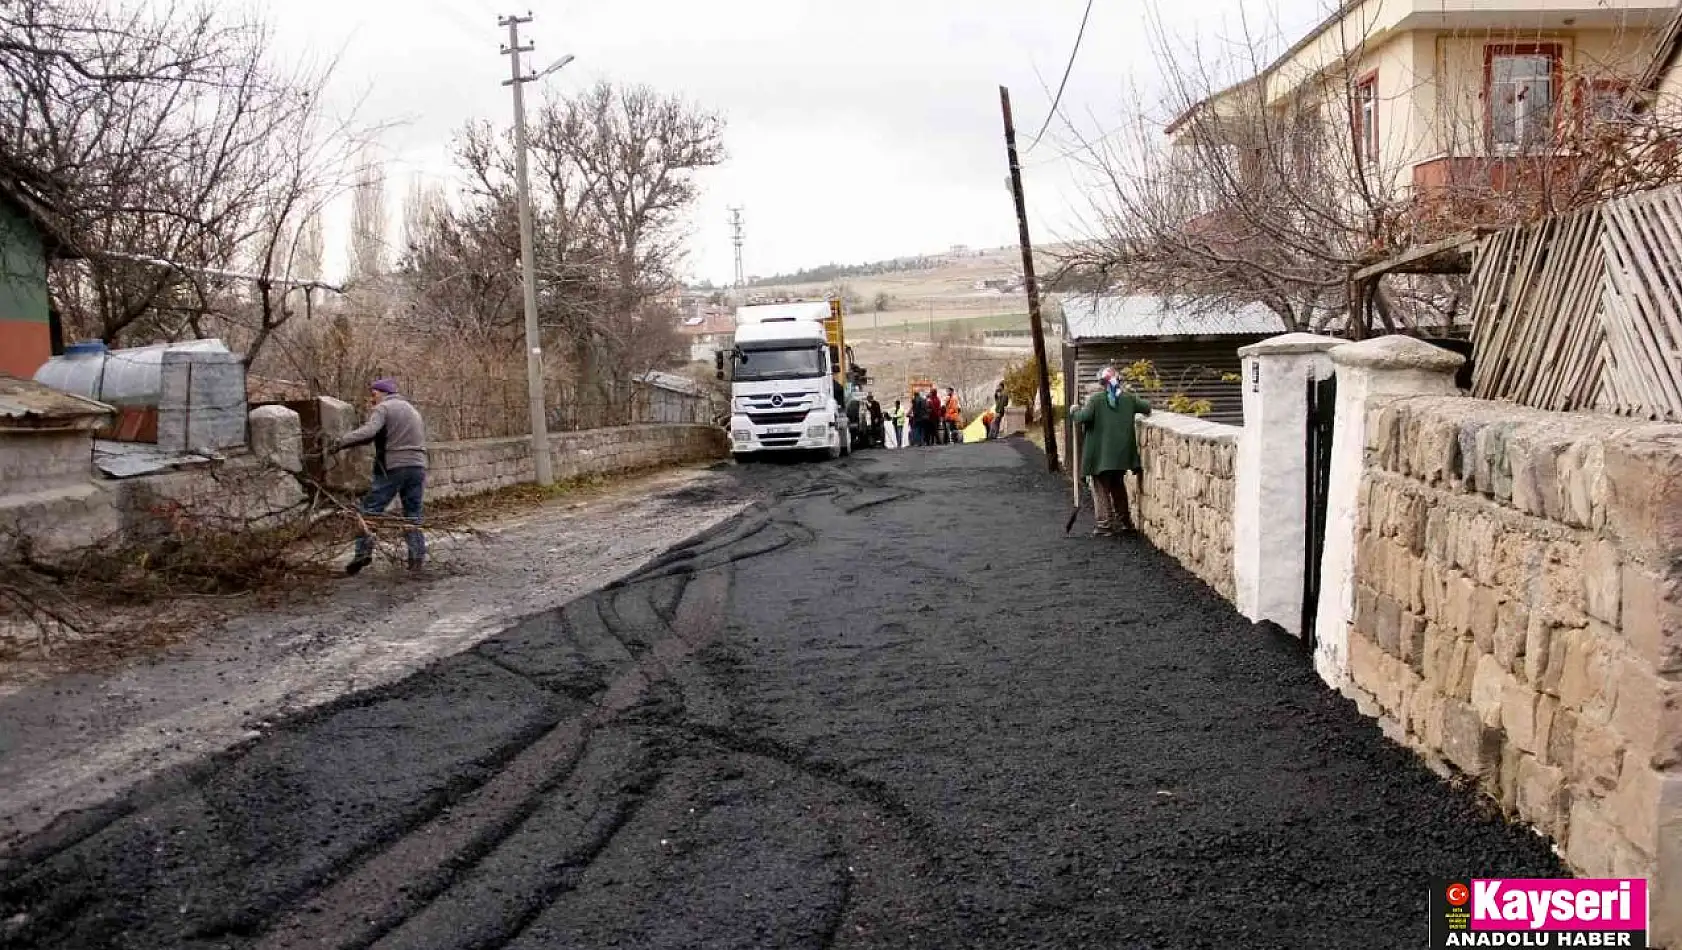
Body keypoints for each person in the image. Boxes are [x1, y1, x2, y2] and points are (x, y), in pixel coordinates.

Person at [331, 378, 429, 573]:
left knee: (370, 510)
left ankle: (363, 554)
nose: (372, 399)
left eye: (374, 394)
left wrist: (340, 442)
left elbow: (369, 431)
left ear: (383, 393)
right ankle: (416, 558)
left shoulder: (384, 408)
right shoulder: (411, 410)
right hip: (417, 466)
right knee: (412, 513)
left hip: (394, 466)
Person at [1069, 365, 1152, 537]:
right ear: (1118, 382)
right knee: (1118, 487)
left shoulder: (1095, 400)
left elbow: (1081, 418)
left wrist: (1074, 410)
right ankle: (1125, 522)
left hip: (1101, 456)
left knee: (1100, 489)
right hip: (1121, 456)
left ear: (1101, 383)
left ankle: (1104, 524)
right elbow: (1147, 407)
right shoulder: (1129, 399)